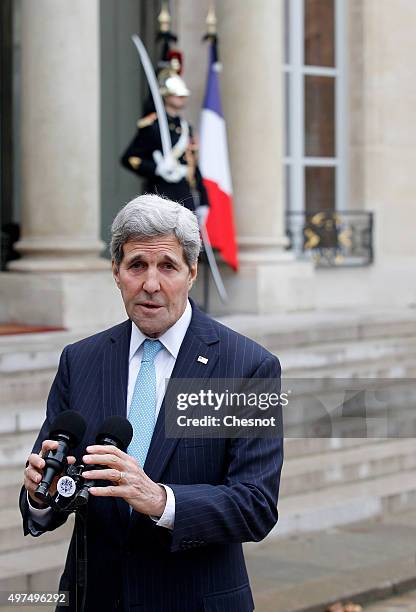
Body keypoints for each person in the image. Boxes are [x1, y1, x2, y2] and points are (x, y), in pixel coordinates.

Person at [20, 194, 283, 612]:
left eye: (168, 267)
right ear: (116, 272)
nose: (151, 284)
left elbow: (255, 505)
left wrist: (161, 500)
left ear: (192, 272)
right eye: (136, 265)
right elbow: (51, 487)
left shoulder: (245, 367)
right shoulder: (81, 360)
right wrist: (41, 494)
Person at [120, 58, 209, 224]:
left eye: (183, 95)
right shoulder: (152, 126)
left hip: (185, 194)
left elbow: (193, 165)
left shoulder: (185, 128)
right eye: (177, 94)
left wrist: (203, 198)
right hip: (161, 193)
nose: (181, 98)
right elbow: (130, 158)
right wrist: (157, 169)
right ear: (165, 95)